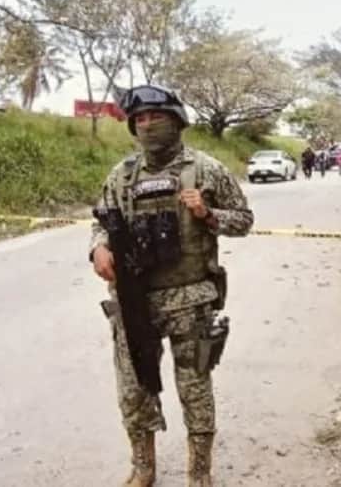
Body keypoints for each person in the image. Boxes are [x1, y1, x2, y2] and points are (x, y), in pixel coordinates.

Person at [89, 84, 253, 487]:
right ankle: (143, 467)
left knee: (194, 389)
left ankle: (199, 472)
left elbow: (244, 220)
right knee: (134, 389)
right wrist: (98, 248)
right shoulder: (122, 175)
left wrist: (208, 213)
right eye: (139, 119)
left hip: (191, 299)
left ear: (176, 121)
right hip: (133, 302)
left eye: (155, 117)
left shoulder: (207, 169)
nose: (147, 125)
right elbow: (101, 221)